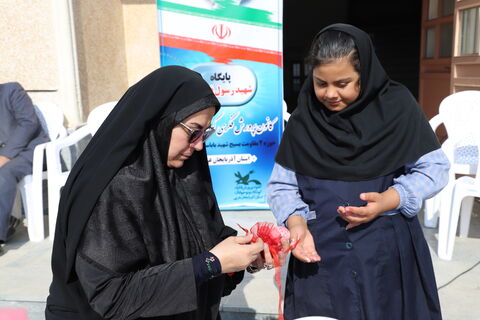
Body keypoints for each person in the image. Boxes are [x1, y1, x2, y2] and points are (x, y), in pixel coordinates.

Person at [46, 66, 276, 320]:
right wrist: (212, 263)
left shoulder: (184, 173)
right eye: (193, 131)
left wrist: (248, 253)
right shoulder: (110, 190)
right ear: (159, 121)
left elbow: (207, 245)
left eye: (205, 133)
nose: (199, 145)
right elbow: (113, 296)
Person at [267, 24, 449, 320]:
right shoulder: (305, 118)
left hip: (386, 255)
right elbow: (281, 185)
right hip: (320, 257)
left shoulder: (397, 107)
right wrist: (296, 223)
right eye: (320, 83)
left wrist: (392, 198)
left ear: (364, 74)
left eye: (343, 83)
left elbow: (434, 168)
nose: (330, 94)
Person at [0, 82, 49, 254]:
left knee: (3, 174)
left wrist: (5, 155)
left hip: (31, 151)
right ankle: (9, 222)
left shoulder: (11, 90)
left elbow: (28, 123)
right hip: (7, 154)